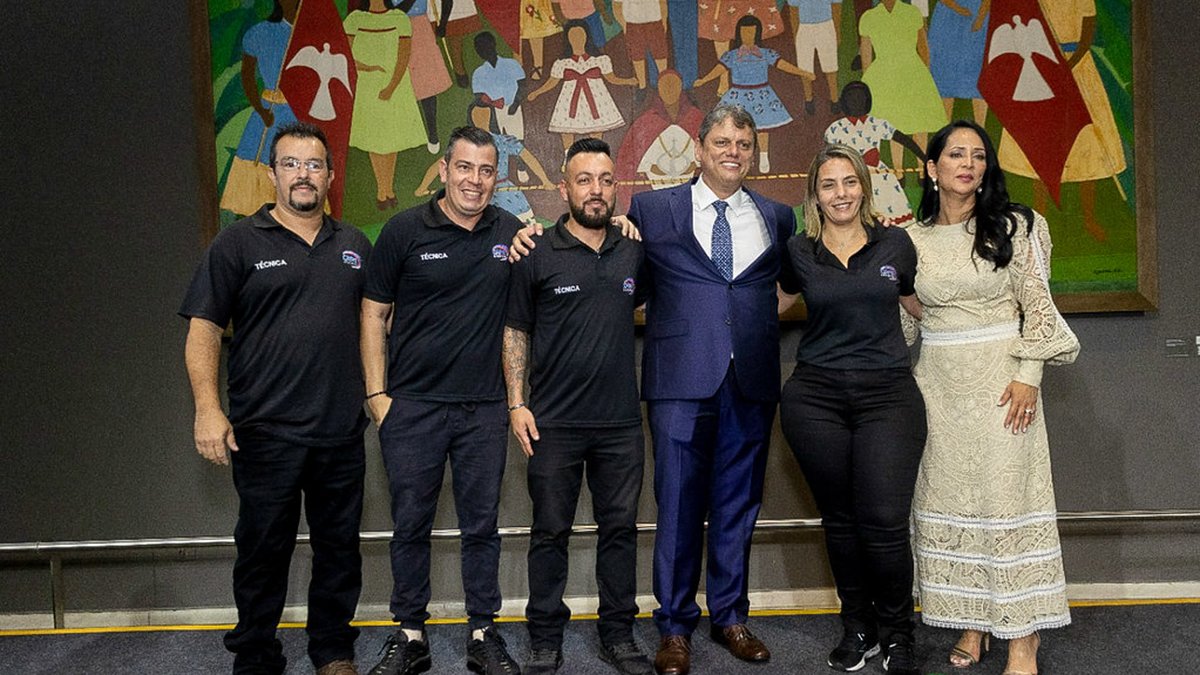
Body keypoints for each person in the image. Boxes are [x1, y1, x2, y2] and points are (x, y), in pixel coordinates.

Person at [180, 121, 370, 675]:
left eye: (313, 165)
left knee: (339, 550)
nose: (302, 175)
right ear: (272, 175)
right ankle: (257, 654)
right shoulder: (237, 243)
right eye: (291, 164)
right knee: (263, 551)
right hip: (265, 432)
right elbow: (203, 328)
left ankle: (332, 650)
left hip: (340, 431)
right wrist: (208, 409)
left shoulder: (355, 246)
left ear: (330, 177)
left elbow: (376, 324)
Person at [626, 103, 796, 675]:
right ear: (699, 149)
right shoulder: (653, 210)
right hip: (678, 380)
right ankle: (675, 627)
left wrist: (751, 325)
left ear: (754, 153)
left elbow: (789, 285)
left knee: (738, 504)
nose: (733, 152)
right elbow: (627, 282)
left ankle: (730, 617)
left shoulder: (777, 217)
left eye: (743, 144)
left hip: (750, 380)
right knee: (677, 504)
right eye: (722, 142)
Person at [909, 120, 1079, 675]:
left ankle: (1024, 641)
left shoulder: (1017, 225)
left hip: (1005, 384)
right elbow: (909, 321)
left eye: (978, 156)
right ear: (931, 169)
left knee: (1008, 500)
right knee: (953, 501)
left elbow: (1038, 305)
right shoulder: (911, 239)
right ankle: (973, 623)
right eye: (956, 154)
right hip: (938, 388)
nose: (968, 164)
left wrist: (1030, 373)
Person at [360, 126, 523, 675]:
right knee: (410, 525)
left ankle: (482, 632)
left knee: (482, 527)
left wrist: (618, 224)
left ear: (496, 177)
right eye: (465, 168)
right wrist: (378, 397)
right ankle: (410, 635)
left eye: (486, 170)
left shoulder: (511, 233)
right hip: (413, 408)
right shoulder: (404, 230)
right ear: (445, 170)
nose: (474, 180)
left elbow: (562, 253)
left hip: (484, 408)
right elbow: (373, 314)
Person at [503, 139, 652, 675]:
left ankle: (619, 636)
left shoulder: (633, 250)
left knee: (620, 533)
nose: (596, 190)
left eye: (606, 180)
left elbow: (642, 301)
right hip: (553, 424)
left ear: (616, 187)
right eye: (584, 180)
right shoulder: (535, 250)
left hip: (620, 425)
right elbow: (515, 329)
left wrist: (632, 231)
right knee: (549, 533)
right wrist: (516, 403)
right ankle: (545, 638)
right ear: (564, 187)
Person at [777, 143, 926, 675]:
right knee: (840, 522)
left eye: (849, 182)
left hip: (888, 398)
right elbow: (768, 304)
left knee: (884, 522)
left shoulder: (896, 244)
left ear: (863, 185)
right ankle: (857, 628)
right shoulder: (798, 251)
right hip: (815, 399)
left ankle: (898, 634)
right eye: (828, 184)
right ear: (814, 195)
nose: (840, 194)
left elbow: (925, 304)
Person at [693, 15, 811, 173]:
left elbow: (782, 65)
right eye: (744, 33)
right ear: (739, 34)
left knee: (762, 129)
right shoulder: (733, 55)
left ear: (757, 34)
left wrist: (803, 73)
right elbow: (719, 69)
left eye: (751, 33)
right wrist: (704, 80)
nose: (747, 36)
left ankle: (763, 156)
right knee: (735, 129)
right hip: (738, 95)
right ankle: (737, 158)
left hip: (761, 94)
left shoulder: (765, 53)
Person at [344, 0, 427, 211]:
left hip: (395, 87)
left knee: (390, 140)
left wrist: (391, 87)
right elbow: (345, 55)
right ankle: (382, 191)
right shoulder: (355, 19)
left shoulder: (399, 18)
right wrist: (368, 68)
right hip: (366, 87)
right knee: (375, 140)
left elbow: (403, 56)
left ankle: (388, 189)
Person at [526, 20, 639, 150]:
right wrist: (536, 93)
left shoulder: (600, 59)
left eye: (580, 34)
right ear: (568, 39)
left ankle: (596, 155)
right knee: (567, 130)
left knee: (597, 129)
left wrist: (628, 81)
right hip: (569, 100)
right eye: (573, 35)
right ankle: (568, 157)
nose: (577, 39)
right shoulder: (561, 63)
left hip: (596, 99)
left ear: (586, 36)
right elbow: (552, 82)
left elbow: (612, 79)